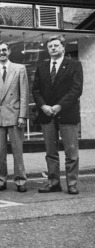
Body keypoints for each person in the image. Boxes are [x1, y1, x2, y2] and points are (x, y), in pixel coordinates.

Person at [32, 35, 83, 195]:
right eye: (50, 46)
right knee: (51, 152)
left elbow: (76, 89)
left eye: (56, 45)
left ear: (63, 48)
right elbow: (36, 90)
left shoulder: (74, 65)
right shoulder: (41, 67)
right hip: (47, 115)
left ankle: (72, 183)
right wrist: (43, 106)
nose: (53, 48)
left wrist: (59, 106)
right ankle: (53, 182)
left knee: (71, 152)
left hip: (67, 114)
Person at [0, 42, 29, 193]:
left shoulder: (20, 68)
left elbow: (24, 94)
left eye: (4, 50)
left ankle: (20, 180)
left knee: (18, 151)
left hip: (16, 116)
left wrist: (23, 115)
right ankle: (0, 180)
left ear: (9, 51)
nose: (1, 53)